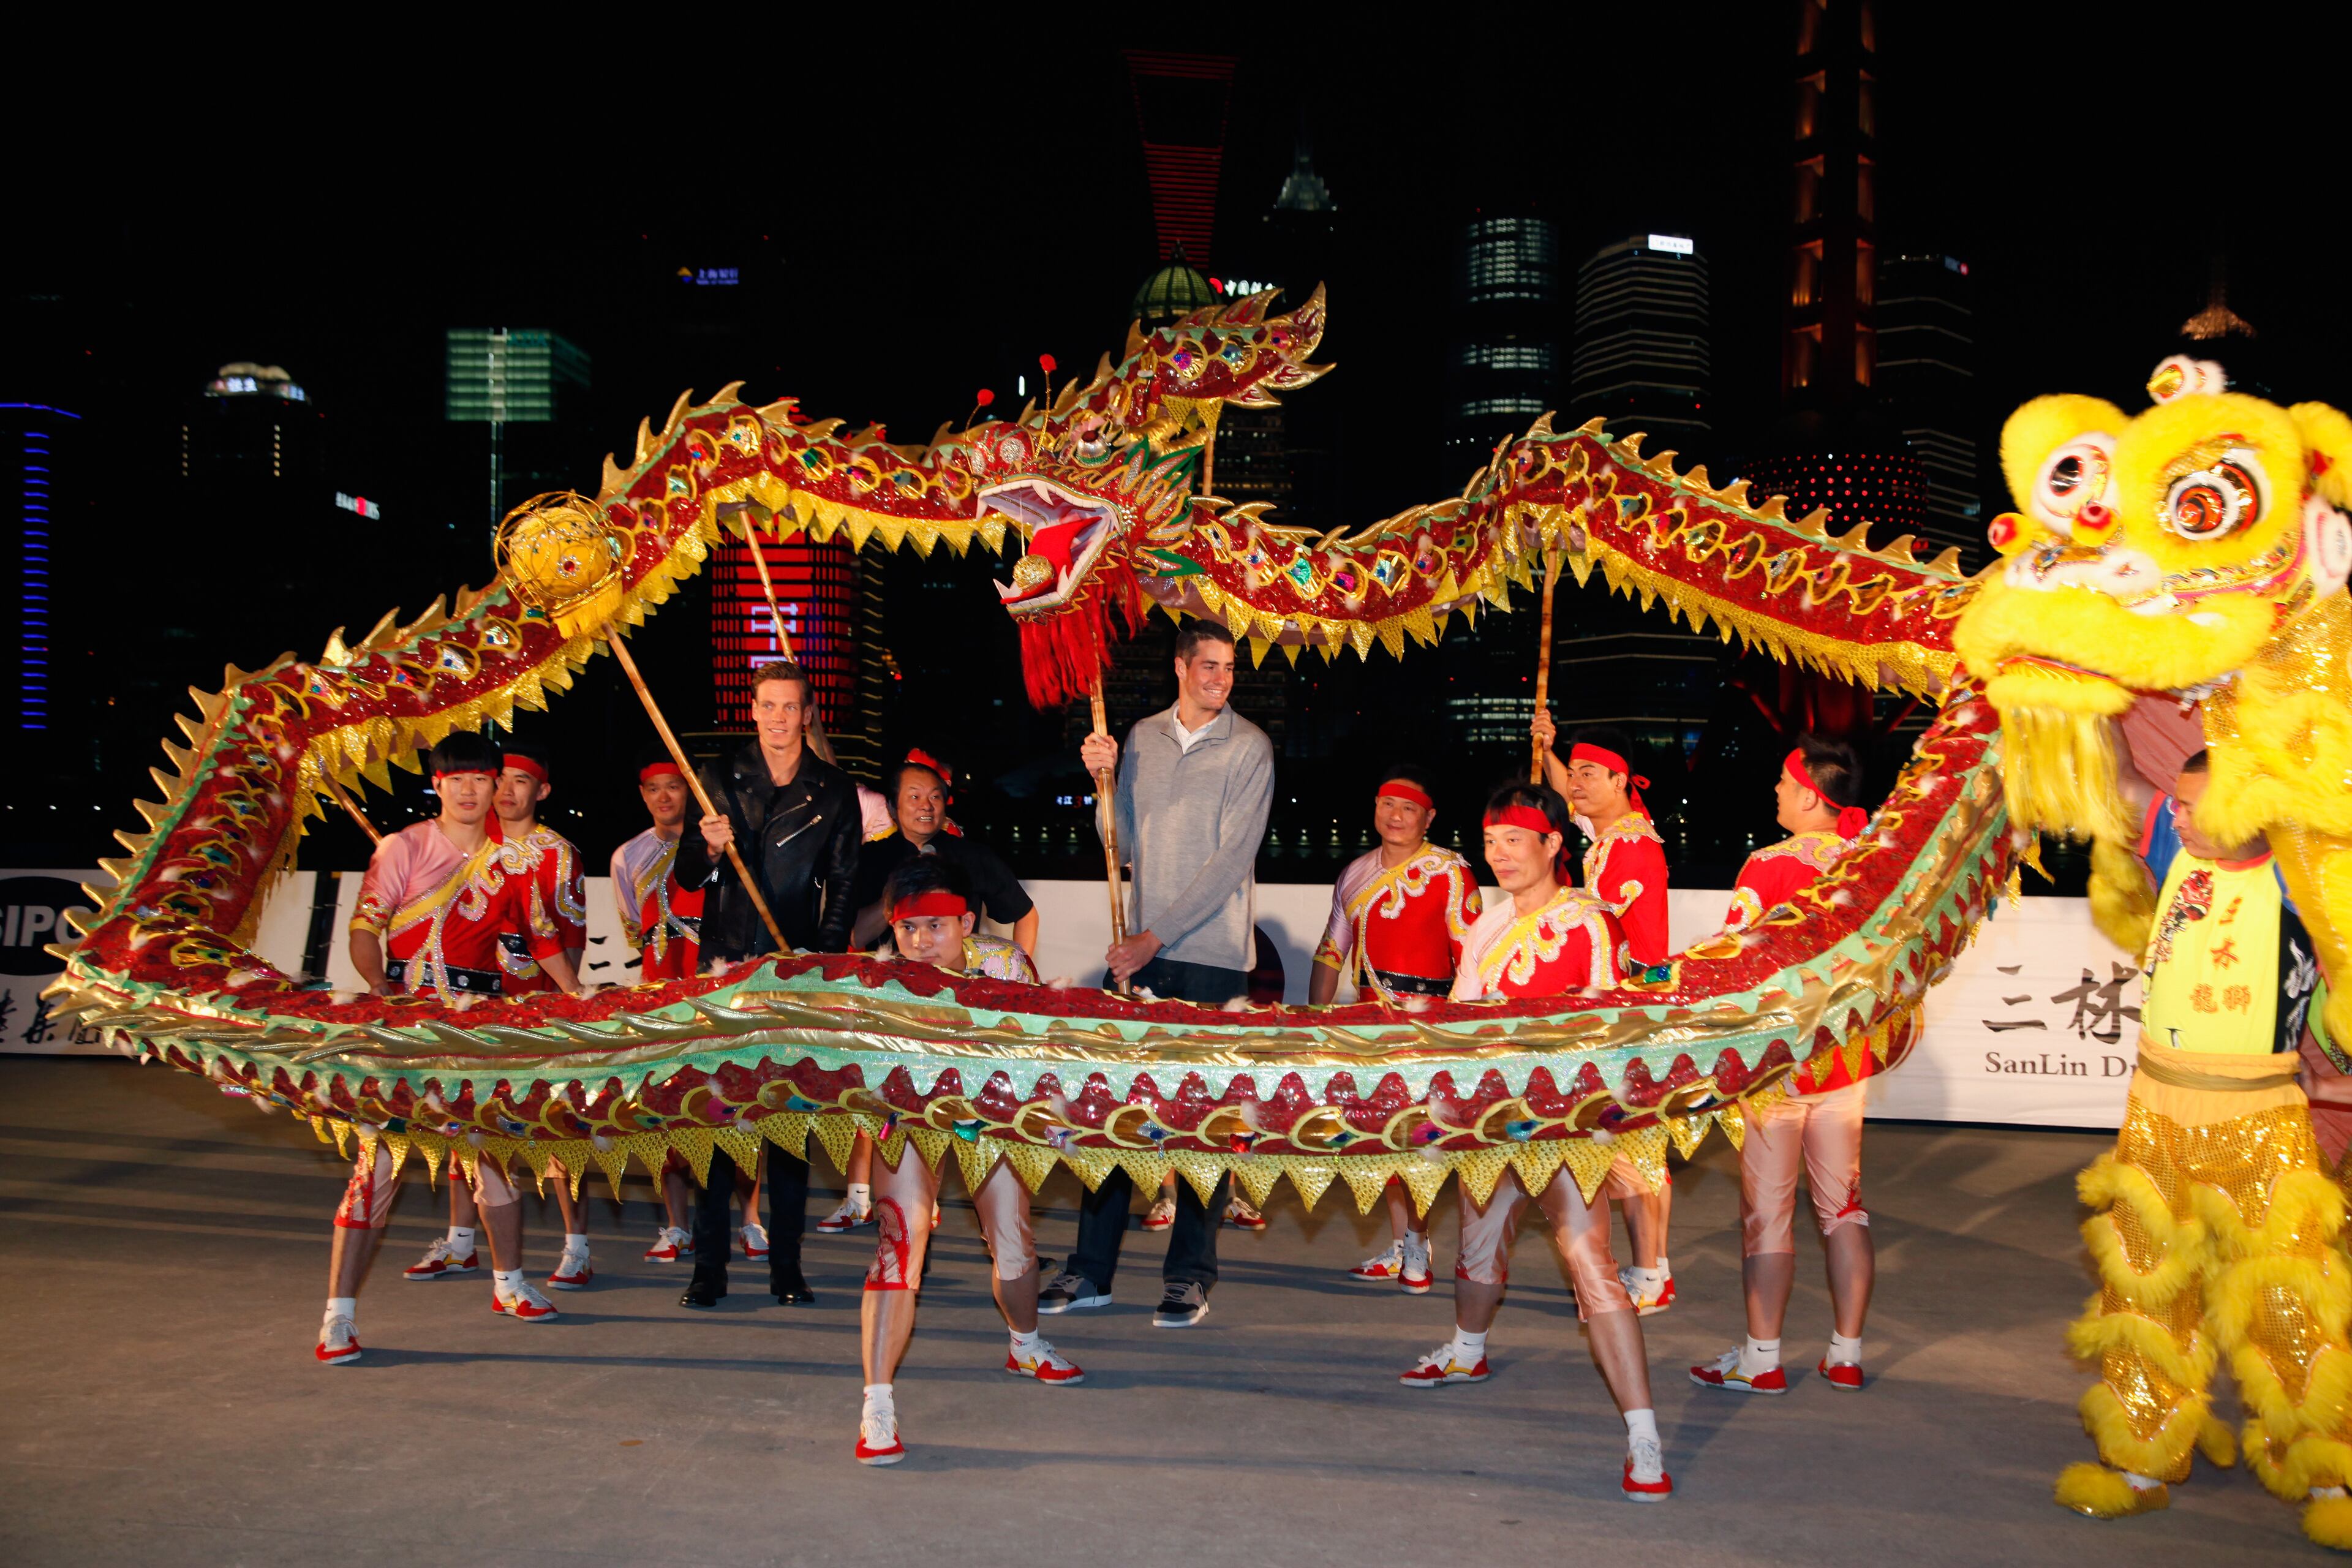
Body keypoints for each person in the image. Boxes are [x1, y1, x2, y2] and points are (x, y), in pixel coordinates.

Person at [2053, 751, 2352, 1543]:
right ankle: (2142, 1464)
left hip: (2259, 1117)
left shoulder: (2303, 875)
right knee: (2145, 1294)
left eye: (2194, 805)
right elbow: (2114, 780)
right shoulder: (2171, 846)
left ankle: (2328, 1478)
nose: (2178, 815)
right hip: (2154, 1109)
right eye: (2178, 804)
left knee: (2289, 1301)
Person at [1398, 782, 1670, 1502]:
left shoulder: (1590, 922)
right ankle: (1467, 1351)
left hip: (1565, 1129)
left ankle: (1644, 1434)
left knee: (1591, 1263)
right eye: (1490, 842)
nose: (1500, 854)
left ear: (1554, 844)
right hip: (1489, 1126)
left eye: (1515, 839)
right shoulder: (1484, 928)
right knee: (1477, 1251)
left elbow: (1613, 1027)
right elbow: (1460, 1025)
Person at [1038, 620, 1274, 1329]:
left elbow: (1232, 863)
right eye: (1208, 666)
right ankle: (1091, 1272)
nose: (1220, 679)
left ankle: (1190, 1276)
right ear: (1180, 667)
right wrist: (1102, 781)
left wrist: (1153, 937)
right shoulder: (1139, 737)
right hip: (1142, 952)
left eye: (1229, 668)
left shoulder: (1251, 747)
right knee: (1113, 1116)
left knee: (1204, 1125)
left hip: (1210, 958)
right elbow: (1122, 842)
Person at [317, 732, 580, 1363]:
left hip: (477, 1029)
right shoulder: (401, 847)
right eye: (455, 779)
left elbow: (544, 941)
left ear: (497, 785)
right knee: (375, 1167)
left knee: (492, 1157)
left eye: (481, 779)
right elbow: (365, 928)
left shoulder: (515, 861)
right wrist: (381, 987)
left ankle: (510, 1284)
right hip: (409, 1027)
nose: (468, 790)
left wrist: (579, 997)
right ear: (437, 785)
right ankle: (337, 1316)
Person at [855, 856, 1081, 1465]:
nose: (921, 942)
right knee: (899, 1243)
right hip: (908, 1113)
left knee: (1013, 1239)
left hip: (991, 1112)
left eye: (936, 927)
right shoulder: (878, 982)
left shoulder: (1007, 965)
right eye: (908, 929)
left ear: (967, 920)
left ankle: (1026, 1343)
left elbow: (1045, 1045)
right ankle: (877, 1404)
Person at [1689, 737, 1879, 1398]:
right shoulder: (1873, 864)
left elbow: (1734, 961)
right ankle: (1847, 1351)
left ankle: (1762, 1356)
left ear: (1808, 794)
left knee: (1766, 1216)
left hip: (1776, 1067)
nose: (1774, 791)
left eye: (1780, 781)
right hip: (1845, 1060)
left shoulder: (1768, 865)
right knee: (1844, 1209)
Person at [671, 659, 860, 1310]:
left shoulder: (834, 789)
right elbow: (689, 879)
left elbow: (843, 887)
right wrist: (710, 848)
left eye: (791, 707)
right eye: (768, 706)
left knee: (787, 1127)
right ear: (752, 709)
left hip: (795, 971)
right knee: (717, 1122)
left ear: (808, 713)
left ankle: (787, 1268)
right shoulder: (719, 778)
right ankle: (708, 1270)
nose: (779, 718)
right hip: (726, 969)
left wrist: (822, 964)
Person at [402, 739, 600, 1292]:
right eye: (500, 778)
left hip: (537, 1010)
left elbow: (569, 936)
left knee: (558, 1130)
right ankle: (462, 1243)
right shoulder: (465, 845)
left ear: (542, 791)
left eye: (520, 780)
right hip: (477, 1008)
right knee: (465, 1122)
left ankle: (576, 1247)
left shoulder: (556, 853)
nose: (507, 790)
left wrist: (564, 1007)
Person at [824, 749, 1042, 1235]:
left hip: (968, 1013)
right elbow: (855, 937)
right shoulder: (872, 856)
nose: (926, 806)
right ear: (895, 804)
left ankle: (1004, 1231)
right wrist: (901, 896)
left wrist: (1014, 976)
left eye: (936, 797)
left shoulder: (971, 854)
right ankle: (880, 1203)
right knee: (885, 1109)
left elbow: (1023, 914)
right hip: (900, 1012)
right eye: (914, 796)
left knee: (979, 1117)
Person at [1310, 763, 1481, 1293]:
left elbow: (1471, 956)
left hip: (1430, 1028)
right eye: (1389, 804)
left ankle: (1420, 1244)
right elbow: (1332, 950)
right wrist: (1317, 1022)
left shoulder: (1451, 872)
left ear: (1428, 818)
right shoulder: (1355, 873)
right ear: (1376, 809)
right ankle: (1405, 1240)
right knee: (1382, 1141)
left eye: (1409, 808)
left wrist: (1460, 1028)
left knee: (1421, 1142)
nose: (1397, 816)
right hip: (1368, 1025)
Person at [1535, 717, 1676, 1313]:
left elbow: (1639, 951)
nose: (1577, 784)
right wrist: (1547, 748)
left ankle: (1651, 1272)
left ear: (1621, 780)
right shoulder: (1608, 836)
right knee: (1616, 1146)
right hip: (1608, 1013)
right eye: (1576, 773)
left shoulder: (1635, 846)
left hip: (1629, 1013)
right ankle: (1641, 1268)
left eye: (1590, 774)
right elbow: (1569, 795)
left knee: (1637, 1150)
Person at [610, 756, 717, 1267]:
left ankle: (753, 1219)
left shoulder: (716, 844)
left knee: (733, 1105)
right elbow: (635, 925)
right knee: (662, 1114)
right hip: (660, 998)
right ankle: (676, 1224)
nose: (664, 798)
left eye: (673, 787)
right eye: (653, 789)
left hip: (717, 994)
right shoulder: (627, 856)